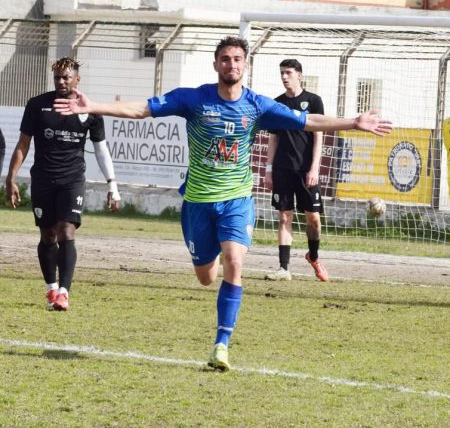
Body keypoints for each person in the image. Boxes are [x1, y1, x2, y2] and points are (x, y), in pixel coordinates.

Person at [53, 36, 392, 371]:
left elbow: (308, 122)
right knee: (206, 277)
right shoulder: (193, 99)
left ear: (246, 65)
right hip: (198, 203)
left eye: (237, 59)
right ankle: (210, 256)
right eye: (226, 59)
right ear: (216, 64)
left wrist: (353, 122)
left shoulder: (257, 105)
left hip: (236, 200)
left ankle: (221, 345)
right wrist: (93, 106)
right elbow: (142, 109)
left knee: (235, 261)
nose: (232, 64)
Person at [6, 57, 121, 312]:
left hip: (72, 180)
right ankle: (51, 288)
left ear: (77, 79)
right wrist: (11, 178)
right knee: (48, 235)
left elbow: (101, 150)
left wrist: (112, 185)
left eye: (66, 77)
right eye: (57, 77)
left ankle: (64, 293)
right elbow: (23, 144)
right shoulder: (37, 105)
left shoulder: (89, 109)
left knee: (66, 231)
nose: (61, 81)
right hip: (43, 180)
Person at [264, 59, 328, 282]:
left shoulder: (314, 101)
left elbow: (318, 136)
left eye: (288, 72)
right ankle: (284, 268)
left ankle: (313, 256)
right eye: (282, 73)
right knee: (284, 217)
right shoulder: (277, 104)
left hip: (305, 170)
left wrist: (314, 168)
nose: (284, 77)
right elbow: (273, 139)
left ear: (299, 75)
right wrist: (269, 170)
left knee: (313, 219)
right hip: (282, 169)